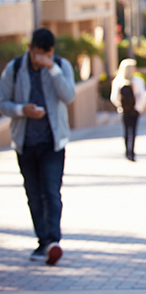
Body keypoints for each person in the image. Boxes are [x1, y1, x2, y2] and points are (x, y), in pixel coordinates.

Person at [0, 28, 76, 266]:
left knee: (51, 192)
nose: (41, 58)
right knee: (33, 195)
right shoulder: (14, 69)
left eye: (46, 54)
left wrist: (52, 68)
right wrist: (22, 110)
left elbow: (69, 95)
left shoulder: (61, 66)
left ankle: (53, 241)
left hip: (53, 142)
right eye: (38, 53)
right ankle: (43, 241)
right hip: (25, 143)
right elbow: (3, 102)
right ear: (30, 48)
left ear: (51, 51)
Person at [110, 59, 146, 161]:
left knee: (126, 131)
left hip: (124, 110)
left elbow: (114, 97)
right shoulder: (137, 81)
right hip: (134, 110)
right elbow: (142, 96)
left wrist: (120, 106)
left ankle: (127, 152)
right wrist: (138, 108)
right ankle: (131, 153)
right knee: (133, 131)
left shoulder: (118, 81)